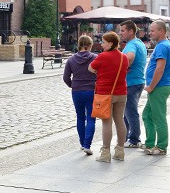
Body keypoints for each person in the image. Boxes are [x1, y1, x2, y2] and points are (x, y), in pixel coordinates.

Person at [88, 31, 128, 163]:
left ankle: (105, 152)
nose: (101, 44)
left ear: (111, 43)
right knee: (120, 121)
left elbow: (90, 68)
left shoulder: (103, 56)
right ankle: (120, 151)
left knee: (107, 122)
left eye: (104, 42)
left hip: (105, 93)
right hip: (121, 93)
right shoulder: (124, 57)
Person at [143, 20, 170, 155]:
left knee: (158, 117)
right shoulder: (164, 45)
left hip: (159, 87)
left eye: (152, 31)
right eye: (150, 30)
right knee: (147, 115)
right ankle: (150, 143)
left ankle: (161, 146)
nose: (150, 33)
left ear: (161, 31)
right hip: (160, 86)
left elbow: (160, 69)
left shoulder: (162, 46)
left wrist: (151, 86)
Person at [63, 35, 97, 155]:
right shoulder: (95, 58)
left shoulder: (71, 59)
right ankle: (88, 145)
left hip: (77, 91)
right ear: (90, 45)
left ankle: (82, 143)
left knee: (80, 117)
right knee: (91, 118)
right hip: (91, 90)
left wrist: (72, 85)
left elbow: (65, 77)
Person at [119, 20, 147, 148]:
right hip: (137, 81)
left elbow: (129, 58)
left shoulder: (131, 45)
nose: (121, 33)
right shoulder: (139, 43)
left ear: (131, 31)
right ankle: (125, 137)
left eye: (123, 30)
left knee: (131, 111)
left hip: (132, 82)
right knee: (127, 112)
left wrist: (121, 67)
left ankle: (134, 139)